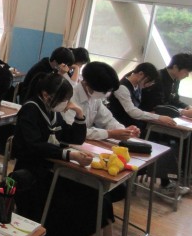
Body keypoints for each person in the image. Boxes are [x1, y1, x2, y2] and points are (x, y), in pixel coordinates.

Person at [12, 73, 143, 236]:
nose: (66, 103)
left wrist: (79, 114)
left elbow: (74, 137)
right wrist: (68, 154)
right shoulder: (31, 109)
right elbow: (33, 147)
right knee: (91, 200)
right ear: (45, 94)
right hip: (33, 178)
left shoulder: (52, 111)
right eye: (64, 99)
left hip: (52, 172)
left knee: (100, 193)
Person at [107, 62, 185, 196]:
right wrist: (158, 117)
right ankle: (164, 182)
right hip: (121, 127)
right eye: (149, 82)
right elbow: (132, 111)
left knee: (163, 144)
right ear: (141, 74)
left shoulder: (136, 86)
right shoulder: (122, 87)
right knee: (157, 145)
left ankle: (165, 180)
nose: (149, 85)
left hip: (133, 126)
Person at [62, 61, 140, 141]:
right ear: (86, 83)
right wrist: (109, 134)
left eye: (108, 91)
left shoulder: (95, 98)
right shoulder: (69, 97)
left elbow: (107, 120)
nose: (106, 94)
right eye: (103, 91)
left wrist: (124, 131)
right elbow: (73, 129)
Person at [140, 52, 192, 117]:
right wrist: (183, 112)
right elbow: (158, 105)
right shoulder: (157, 78)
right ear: (175, 67)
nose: (187, 75)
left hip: (161, 114)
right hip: (148, 115)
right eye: (186, 72)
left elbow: (174, 100)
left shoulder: (176, 79)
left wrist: (187, 107)